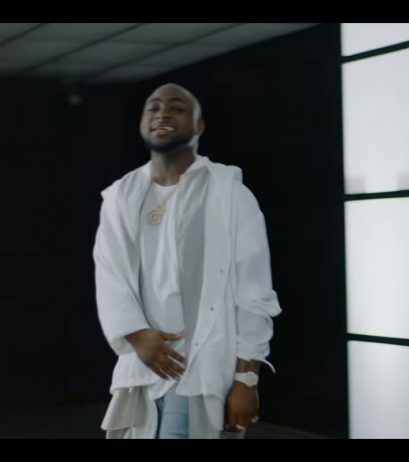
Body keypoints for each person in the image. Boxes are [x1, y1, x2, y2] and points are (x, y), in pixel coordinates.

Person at [93, 83, 281, 439]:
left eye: (177, 107)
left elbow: (254, 290)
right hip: (143, 365)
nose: (162, 113)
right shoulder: (121, 196)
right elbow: (110, 276)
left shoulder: (229, 193)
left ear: (199, 126)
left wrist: (247, 377)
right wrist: (137, 335)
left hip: (202, 366)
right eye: (153, 107)